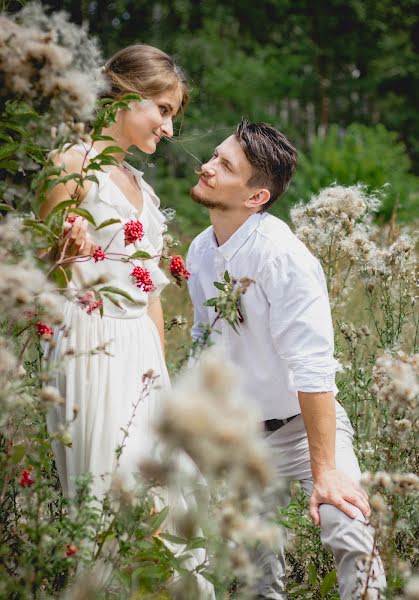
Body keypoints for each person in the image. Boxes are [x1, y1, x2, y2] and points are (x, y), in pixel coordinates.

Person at [186, 119, 387, 599]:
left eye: (224, 165)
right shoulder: (200, 251)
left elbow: (313, 367)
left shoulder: (282, 258)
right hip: (242, 435)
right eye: (214, 156)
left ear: (256, 197)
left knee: (347, 527)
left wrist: (325, 470)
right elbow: (202, 339)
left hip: (304, 423)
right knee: (256, 569)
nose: (207, 167)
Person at [40, 43, 188, 500]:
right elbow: (46, 276)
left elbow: (152, 297)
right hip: (90, 341)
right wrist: (64, 247)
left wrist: (159, 375)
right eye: (162, 110)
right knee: (109, 490)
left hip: (141, 348)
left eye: (173, 116)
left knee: (161, 489)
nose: (168, 128)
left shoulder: (141, 186)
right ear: (126, 94)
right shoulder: (70, 164)